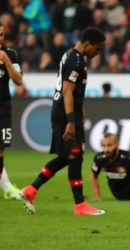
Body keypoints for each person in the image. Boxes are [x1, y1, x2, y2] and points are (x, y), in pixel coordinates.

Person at [20, 27, 107, 216]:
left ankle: (31, 190)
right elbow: (67, 91)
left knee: (68, 156)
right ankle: (80, 205)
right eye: (97, 49)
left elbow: (72, 91)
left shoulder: (72, 55)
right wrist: (70, 120)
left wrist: (79, 110)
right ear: (87, 44)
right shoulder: (75, 61)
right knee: (75, 156)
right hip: (65, 115)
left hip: (67, 112)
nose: (97, 54)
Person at [0, 21, 23, 200]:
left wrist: (6, 61)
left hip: (3, 107)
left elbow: (18, 81)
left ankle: (7, 187)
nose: (0, 38)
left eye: (1, 35)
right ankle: (7, 187)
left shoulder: (11, 54)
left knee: (0, 150)